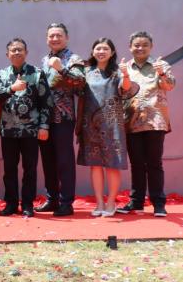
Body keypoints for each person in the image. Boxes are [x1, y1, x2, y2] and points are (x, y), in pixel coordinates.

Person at [76, 38, 138, 217]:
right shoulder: (86, 71)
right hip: (90, 125)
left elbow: (126, 89)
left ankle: (111, 202)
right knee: (95, 165)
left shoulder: (117, 71)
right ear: (93, 51)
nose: (101, 51)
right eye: (98, 48)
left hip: (112, 124)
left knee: (112, 165)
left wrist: (125, 74)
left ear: (112, 53)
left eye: (105, 49)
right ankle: (99, 202)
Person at [0, 38, 52, 217]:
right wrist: (11, 88)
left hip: (31, 131)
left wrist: (44, 126)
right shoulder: (2, 74)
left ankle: (27, 204)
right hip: (8, 131)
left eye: (20, 50)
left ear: (26, 53)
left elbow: (46, 102)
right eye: (13, 50)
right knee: (9, 169)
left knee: (30, 169)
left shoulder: (37, 73)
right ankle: (10, 204)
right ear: (7, 54)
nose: (17, 53)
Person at [121, 31, 175, 217]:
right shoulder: (125, 67)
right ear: (130, 47)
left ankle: (158, 203)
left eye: (144, 44)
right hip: (132, 121)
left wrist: (161, 72)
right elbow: (121, 92)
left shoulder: (161, 65)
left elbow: (170, 86)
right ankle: (136, 202)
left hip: (155, 121)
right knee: (136, 163)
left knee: (154, 163)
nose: (140, 48)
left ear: (151, 47)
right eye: (136, 45)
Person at [38, 23, 86, 217]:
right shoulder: (44, 59)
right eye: (51, 36)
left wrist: (61, 69)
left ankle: (66, 202)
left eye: (58, 35)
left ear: (66, 37)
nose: (55, 39)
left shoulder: (73, 58)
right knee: (48, 161)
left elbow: (81, 83)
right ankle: (52, 199)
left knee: (64, 161)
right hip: (44, 119)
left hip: (63, 117)